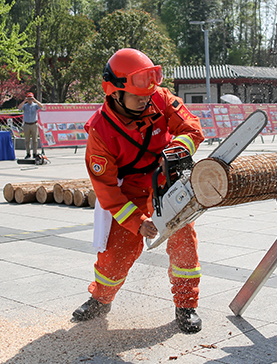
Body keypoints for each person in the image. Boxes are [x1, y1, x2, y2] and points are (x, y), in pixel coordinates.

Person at [72, 48, 205, 333]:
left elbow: (192, 128)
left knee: (183, 239)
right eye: (137, 96)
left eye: (148, 94)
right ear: (115, 92)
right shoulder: (99, 131)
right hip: (129, 189)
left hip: (166, 180)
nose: (146, 99)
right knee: (117, 252)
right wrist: (137, 222)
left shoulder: (160, 97)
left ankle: (186, 305)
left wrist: (177, 151)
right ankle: (100, 299)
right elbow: (106, 190)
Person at [17, 92, 45, 159]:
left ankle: (35, 153)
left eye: (31, 98)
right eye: (28, 98)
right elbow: (19, 107)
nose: (30, 100)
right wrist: (24, 101)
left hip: (34, 124)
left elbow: (42, 106)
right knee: (27, 140)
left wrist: (35, 100)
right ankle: (28, 153)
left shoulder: (35, 105)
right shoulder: (25, 105)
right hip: (26, 124)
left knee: (35, 140)